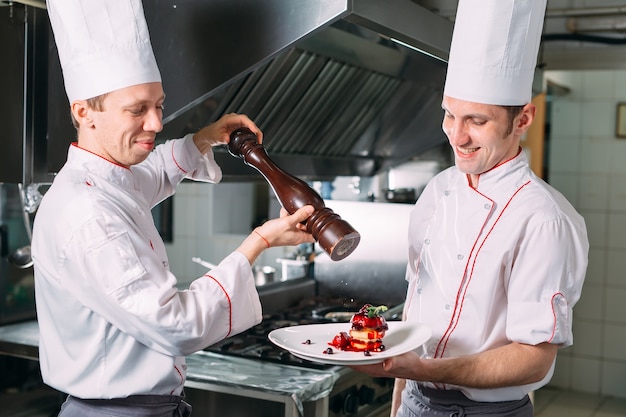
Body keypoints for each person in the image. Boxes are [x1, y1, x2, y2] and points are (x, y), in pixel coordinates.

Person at [31, 1, 314, 416]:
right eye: (137, 110)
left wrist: (204, 138)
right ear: (84, 113)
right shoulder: (87, 213)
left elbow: (152, 175)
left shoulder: (108, 179)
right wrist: (259, 242)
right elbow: (176, 324)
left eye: (159, 105)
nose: (157, 124)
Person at [351, 1, 589, 416]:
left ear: (523, 119)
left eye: (476, 120)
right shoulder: (438, 191)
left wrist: (428, 367)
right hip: (413, 403)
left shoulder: (543, 219)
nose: (456, 136)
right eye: (449, 114)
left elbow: (534, 356)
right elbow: (416, 304)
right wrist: (400, 401)